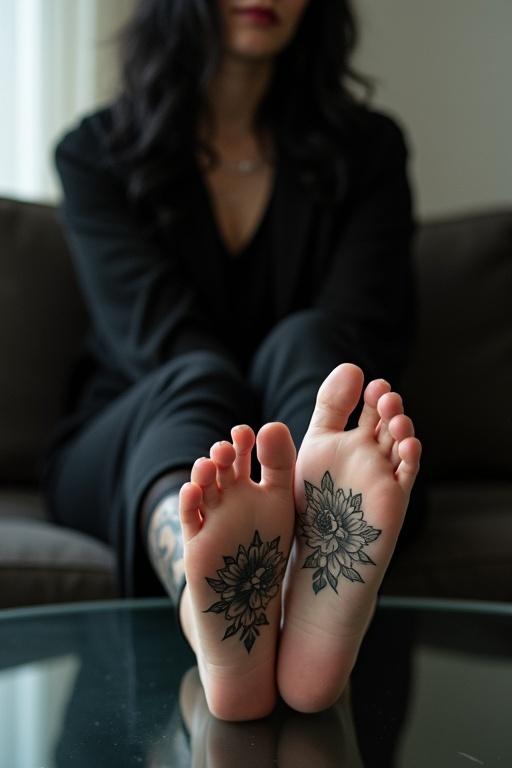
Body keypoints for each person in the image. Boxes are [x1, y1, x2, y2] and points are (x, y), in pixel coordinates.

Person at [43, 0, 421, 721]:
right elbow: (152, 335)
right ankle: (223, 609)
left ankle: (298, 569)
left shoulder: (368, 152)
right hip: (136, 430)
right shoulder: (96, 154)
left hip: (304, 402)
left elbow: (361, 326)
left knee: (317, 349)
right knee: (192, 378)